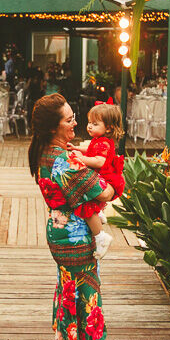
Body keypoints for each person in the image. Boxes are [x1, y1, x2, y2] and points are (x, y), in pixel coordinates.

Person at [29, 93, 115, 340]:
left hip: (61, 232)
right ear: (54, 127)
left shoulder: (45, 152)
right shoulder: (63, 162)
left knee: (69, 292)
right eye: (69, 119)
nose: (75, 123)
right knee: (77, 298)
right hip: (74, 238)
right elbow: (102, 192)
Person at [68, 102, 125, 259]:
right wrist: (77, 149)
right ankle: (99, 213)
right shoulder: (99, 140)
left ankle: (100, 236)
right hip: (103, 177)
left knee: (86, 206)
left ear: (108, 128)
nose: (89, 127)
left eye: (95, 123)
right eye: (89, 123)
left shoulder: (104, 142)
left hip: (106, 177)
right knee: (89, 203)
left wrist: (82, 159)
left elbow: (99, 161)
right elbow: (91, 150)